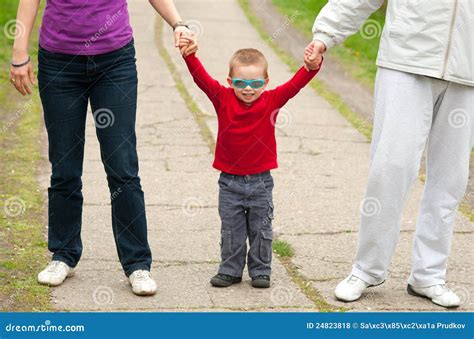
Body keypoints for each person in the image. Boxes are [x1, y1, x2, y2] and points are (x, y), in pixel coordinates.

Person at [10, 0, 196, 296]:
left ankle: (137, 263)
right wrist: (20, 52)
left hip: (115, 63)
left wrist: (178, 23)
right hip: (59, 63)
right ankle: (63, 255)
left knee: (122, 166)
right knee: (64, 166)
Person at [306, 0, 473, 307]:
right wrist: (325, 33)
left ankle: (429, 276)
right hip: (405, 62)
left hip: (467, 74)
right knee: (390, 168)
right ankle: (366, 269)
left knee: (450, 180)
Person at [179, 36, 322, 288]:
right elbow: (201, 79)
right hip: (229, 183)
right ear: (229, 82)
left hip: (261, 183)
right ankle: (230, 270)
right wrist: (189, 56)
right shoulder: (222, 98)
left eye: (255, 83)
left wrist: (311, 67)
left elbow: (295, 85)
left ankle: (260, 271)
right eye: (240, 82)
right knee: (231, 231)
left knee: (261, 230)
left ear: (265, 82)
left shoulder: (272, 100)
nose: (248, 88)